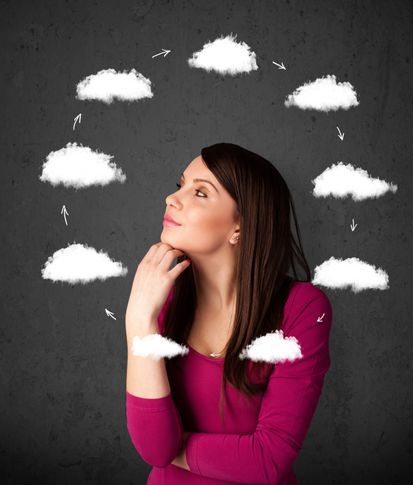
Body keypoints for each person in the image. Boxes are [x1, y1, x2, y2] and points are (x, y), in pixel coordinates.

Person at [125, 142, 333, 484]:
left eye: (201, 193)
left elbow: (267, 461)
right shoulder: (158, 302)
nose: (172, 199)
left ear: (239, 226)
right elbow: (153, 450)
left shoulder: (302, 309)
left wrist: (173, 444)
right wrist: (139, 322)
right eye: (181, 186)